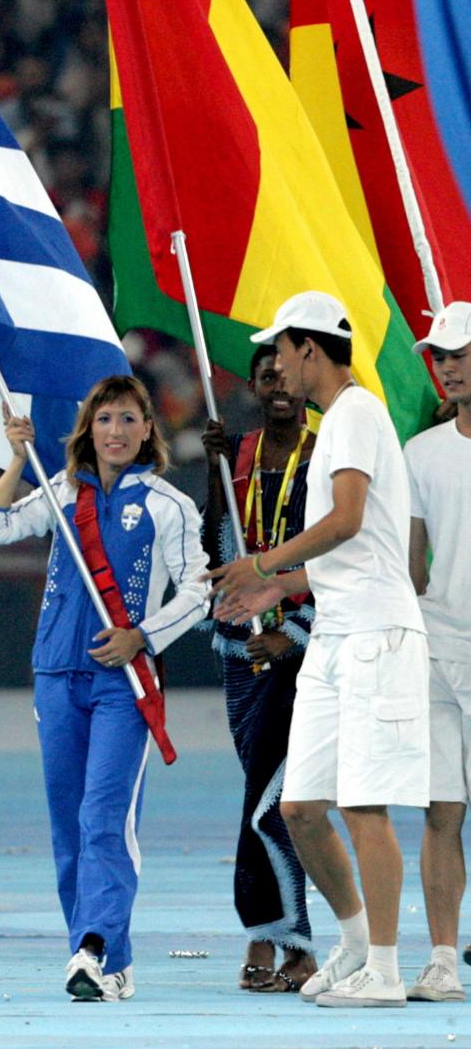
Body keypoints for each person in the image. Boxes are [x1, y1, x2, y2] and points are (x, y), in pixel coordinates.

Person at [212, 291, 429, 1009]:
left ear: (310, 348)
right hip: (336, 633)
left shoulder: (356, 412)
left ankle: (387, 970)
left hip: (375, 634)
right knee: (302, 807)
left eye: (281, 350)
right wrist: (277, 587)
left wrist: (264, 562)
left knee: (363, 806)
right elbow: (345, 547)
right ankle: (358, 945)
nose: (275, 366)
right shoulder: (335, 420)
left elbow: (347, 519)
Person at [0, 374, 210, 1003]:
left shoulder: (168, 505)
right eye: (104, 419)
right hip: (56, 674)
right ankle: (108, 959)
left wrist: (143, 637)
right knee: (68, 827)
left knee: (104, 817)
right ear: (88, 429)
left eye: (129, 418)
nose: (116, 431)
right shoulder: (61, 492)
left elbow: (199, 590)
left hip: (123, 683)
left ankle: (92, 948)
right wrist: (17, 459)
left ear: (148, 429)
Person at [201, 343, 317, 993]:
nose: (278, 385)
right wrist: (213, 474)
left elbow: (341, 554)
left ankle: (271, 937)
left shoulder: (325, 455)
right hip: (239, 649)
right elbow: (213, 546)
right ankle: (293, 940)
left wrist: (292, 632)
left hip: (302, 649)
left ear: (305, 380)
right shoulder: (236, 454)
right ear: (251, 384)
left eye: (286, 374)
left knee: (269, 798)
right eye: (265, 375)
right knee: (265, 792)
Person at [402, 300, 471, 1002]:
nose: (448, 367)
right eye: (440, 357)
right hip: (435, 651)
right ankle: (444, 960)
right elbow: (411, 567)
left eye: (460, 354)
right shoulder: (420, 454)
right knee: (440, 810)